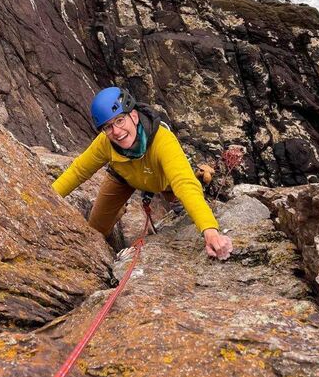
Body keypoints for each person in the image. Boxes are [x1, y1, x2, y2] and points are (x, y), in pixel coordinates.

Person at [52, 86, 233, 260]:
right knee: (96, 229)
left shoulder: (163, 141)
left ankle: (178, 202)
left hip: (162, 180)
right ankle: (118, 212)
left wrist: (210, 231)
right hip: (123, 177)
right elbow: (78, 171)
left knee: (182, 196)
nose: (116, 131)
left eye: (120, 120)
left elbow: (184, 183)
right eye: (108, 127)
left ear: (133, 116)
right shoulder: (105, 143)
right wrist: (45, 197)